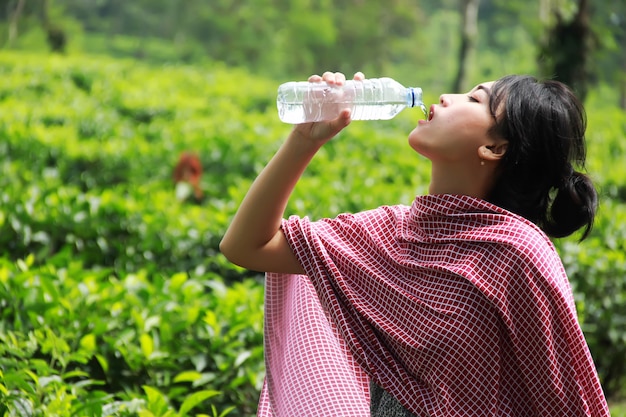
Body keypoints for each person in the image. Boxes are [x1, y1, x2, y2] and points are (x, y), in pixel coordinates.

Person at [220, 71, 610, 416]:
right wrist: (303, 140)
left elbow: (565, 396)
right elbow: (245, 247)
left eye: (474, 99)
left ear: (494, 148)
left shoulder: (518, 253)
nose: (445, 98)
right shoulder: (392, 231)